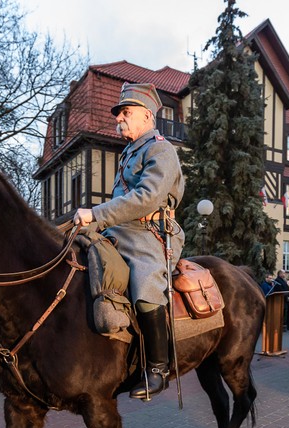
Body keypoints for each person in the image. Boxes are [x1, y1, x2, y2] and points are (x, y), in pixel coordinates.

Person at [72, 82, 185, 399]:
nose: (118, 118)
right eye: (118, 113)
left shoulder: (160, 149)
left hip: (151, 234)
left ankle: (159, 367)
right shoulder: (129, 152)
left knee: (144, 281)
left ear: (147, 115)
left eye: (126, 112)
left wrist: (96, 214)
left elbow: (147, 198)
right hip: (121, 229)